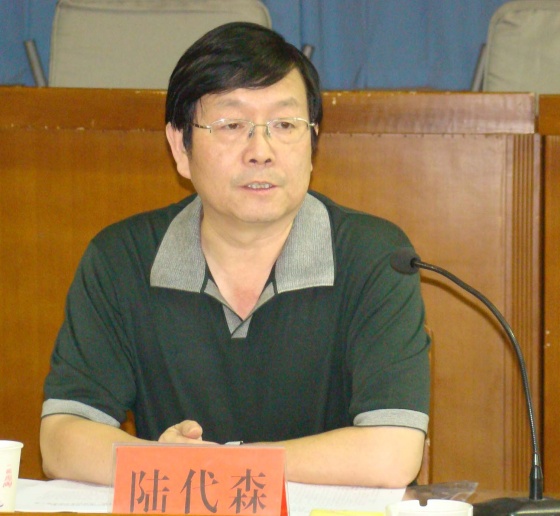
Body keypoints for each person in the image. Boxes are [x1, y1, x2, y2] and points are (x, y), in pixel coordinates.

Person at [40, 21, 430, 488]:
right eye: (232, 126)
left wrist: (214, 467)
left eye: (284, 125)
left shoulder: (374, 256)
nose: (261, 151)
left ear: (313, 143)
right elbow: (61, 440)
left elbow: (391, 455)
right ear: (179, 146)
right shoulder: (122, 258)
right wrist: (163, 461)